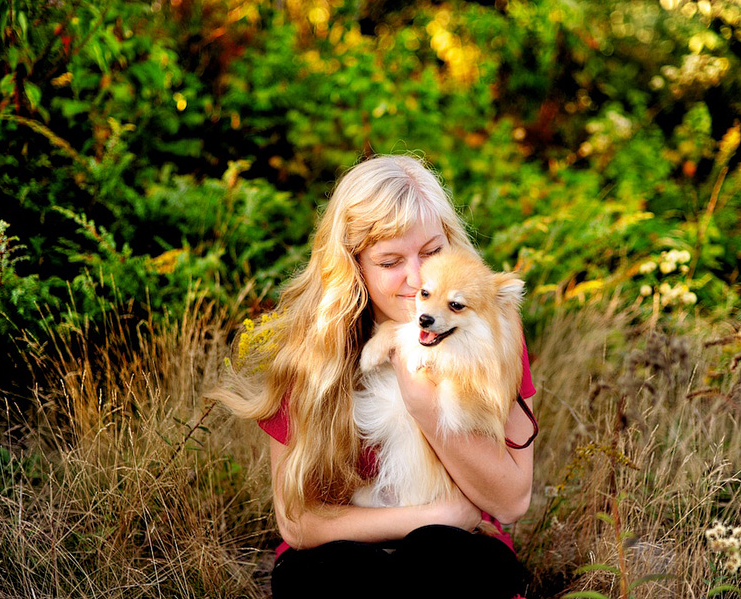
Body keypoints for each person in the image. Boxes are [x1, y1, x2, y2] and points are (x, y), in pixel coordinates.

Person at [213, 154, 538, 599]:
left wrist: (421, 401)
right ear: (355, 268)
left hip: (457, 549)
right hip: (343, 549)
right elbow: (297, 521)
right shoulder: (307, 350)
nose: (418, 277)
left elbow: (511, 500)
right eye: (389, 261)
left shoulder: (486, 329)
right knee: (344, 572)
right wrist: (438, 515)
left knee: (440, 553)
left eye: (431, 252)